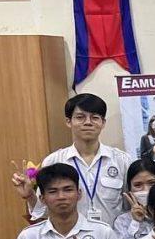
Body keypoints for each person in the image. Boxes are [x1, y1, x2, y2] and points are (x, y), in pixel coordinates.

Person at [15, 93, 133, 228]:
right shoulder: (54, 161)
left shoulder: (122, 160)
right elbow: (44, 211)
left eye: (95, 117)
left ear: (103, 123)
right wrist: (30, 195)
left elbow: (130, 208)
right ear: (68, 121)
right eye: (80, 117)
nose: (88, 122)